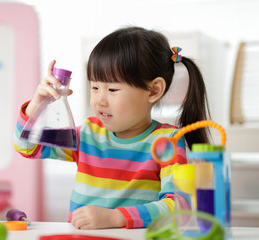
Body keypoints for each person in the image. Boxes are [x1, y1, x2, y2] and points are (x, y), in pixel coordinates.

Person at [13, 26, 211, 229]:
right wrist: (37, 105)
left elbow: (178, 207)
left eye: (113, 89)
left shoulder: (167, 141)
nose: (99, 100)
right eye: (95, 87)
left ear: (153, 90)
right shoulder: (89, 134)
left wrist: (118, 217)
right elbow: (27, 147)